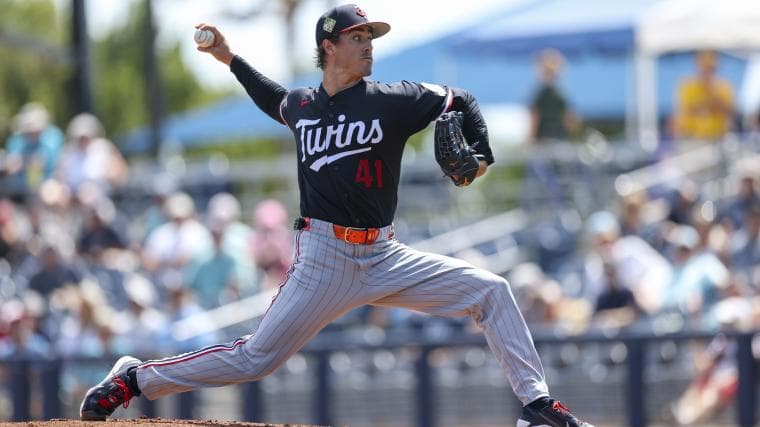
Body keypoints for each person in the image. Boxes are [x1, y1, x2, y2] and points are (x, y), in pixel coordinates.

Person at [79, 5, 594, 426]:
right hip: (324, 258)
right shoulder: (302, 105)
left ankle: (535, 405)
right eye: (357, 37)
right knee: (255, 359)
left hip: (385, 255)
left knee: (492, 290)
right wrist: (229, 57)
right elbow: (273, 99)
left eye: (371, 37)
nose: (368, 45)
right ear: (329, 46)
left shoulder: (394, 100)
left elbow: (463, 99)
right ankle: (135, 378)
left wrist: (480, 160)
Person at [671, 50, 735, 141]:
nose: (707, 72)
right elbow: (686, 110)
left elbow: (729, 111)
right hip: (691, 138)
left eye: (710, 68)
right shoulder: (687, 86)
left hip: (717, 137)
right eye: (705, 68)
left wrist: (712, 92)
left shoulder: (724, 87)